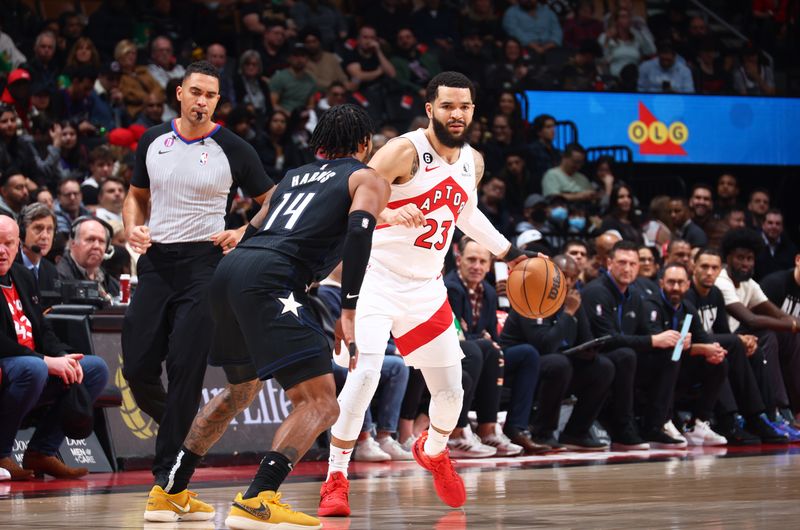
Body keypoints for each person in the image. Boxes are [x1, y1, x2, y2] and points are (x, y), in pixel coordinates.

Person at [142, 103, 389, 528]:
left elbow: (252, 229)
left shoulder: (292, 178)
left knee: (240, 391)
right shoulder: (366, 177)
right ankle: (259, 497)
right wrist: (349, 307)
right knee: (321, 402)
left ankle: (169, 492)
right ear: (364, 145)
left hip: (231, 272)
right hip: (273, 279)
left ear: (320, 144)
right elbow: (358, 234)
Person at [319, 72, 536, 517]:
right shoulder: (403, 150)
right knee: (364, 377)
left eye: (464, 107)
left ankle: (434, 450)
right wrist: (392, 213)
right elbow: (348, 208)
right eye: (447, 106)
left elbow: (466, 214)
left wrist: (509, 253)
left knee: (452, 393)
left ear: (473, 110)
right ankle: (335, 478)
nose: (456, 114)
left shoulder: (472, 161)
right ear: (429, 109)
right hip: (376, 279)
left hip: (426, 288)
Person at [123, 61, 272, 509]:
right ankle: (184, 428)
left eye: (210, 95)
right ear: (180, 94)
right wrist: (133, 226)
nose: (202, 100)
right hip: (155, 262)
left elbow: (273, 199)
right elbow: (136, 194)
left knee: (185, 369)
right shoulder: (153, 140)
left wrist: (244, 230)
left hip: (205, 265)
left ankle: (168, 484)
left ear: (216, 101)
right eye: (195, 92)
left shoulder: (234, 147)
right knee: (136, 369)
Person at [0, 215, 109, 480]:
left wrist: (61, 356)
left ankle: (41, 452)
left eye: (8, 243)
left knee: (94, 368)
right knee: (34, 368)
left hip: (32, 365)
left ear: (18, 246)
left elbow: (42, 328)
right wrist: (46, 361)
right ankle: (1, 453)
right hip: (13, 363)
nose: (2, 251)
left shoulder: (23, 276)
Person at [500, 254, 614, 451]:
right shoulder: (532, 296)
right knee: (558, 363)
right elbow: (543, 345)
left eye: (573, 277)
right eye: (564, 276)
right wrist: (569, 313)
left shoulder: (572, 300)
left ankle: (576, 432)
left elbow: (585, 338)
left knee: (603, 367)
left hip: (558, 362)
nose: (568, 282)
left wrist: (588, 350)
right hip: (521, 364)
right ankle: (542, 432)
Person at [583, 240, 684, 450]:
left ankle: (655, 425)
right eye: (622, 262)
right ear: (609, 263)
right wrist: (653, 340)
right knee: (626, 355)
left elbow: (646, 332)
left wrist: (672, 338)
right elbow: (606, 339)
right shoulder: (596, 291)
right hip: (593, 358)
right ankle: (623, 427)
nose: (627, 268)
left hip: (625, 359)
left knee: (668, 355)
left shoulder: (635, 296)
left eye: (632, 263)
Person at [686, 248, 788, 444]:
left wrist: (744, 341)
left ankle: (760, 417)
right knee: (729, 348)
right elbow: (690, 336)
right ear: (693, 268)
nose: (709, 272)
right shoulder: (688, 296)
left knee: (751, 350)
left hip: (711, 350)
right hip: (688, 354)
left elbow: (723, 332)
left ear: (719, 270)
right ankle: (729, 421)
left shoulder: (715, 293)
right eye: (704, 267)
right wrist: (736, 341)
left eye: (714, 267)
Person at [444, 237, 525, 457]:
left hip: (474, 350)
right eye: (471, 259)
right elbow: (454, 334)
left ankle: (487, 428)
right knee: (480, 349)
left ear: (490, 266)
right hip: (445, 353)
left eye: (482, 261)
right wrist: (479, 338)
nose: (477, 266)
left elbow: (489, 335)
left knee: (497, 350)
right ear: (459, 259)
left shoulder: (489, 292)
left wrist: (480, 338)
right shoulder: (450, 288)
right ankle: (456, 432)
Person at [716, 229, 800, 433]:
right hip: (716, 340)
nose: (745, 263)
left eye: (750, 258)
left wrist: (794, 325)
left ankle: (790, 410)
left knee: (787, 337)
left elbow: (776, 313)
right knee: (769, 334)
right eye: (740, 258)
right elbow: (751, 320)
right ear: (728, 258)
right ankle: (773, 411)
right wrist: (794, 324)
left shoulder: (749, 284)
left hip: (737, 341)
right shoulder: (721, 281)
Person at [56, 216, 120, 302]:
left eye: (101, 241)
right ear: (72, 243)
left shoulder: (104, 277)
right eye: (90, 239)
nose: (97, 246)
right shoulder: (60, 276)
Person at [16, 203, 59, 294]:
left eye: (49, 229)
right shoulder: (8, 265)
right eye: (38, 228)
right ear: (22, 232)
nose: (45, 236)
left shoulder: (51, 271)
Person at [755, 210, 798, 281]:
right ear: (763, 225)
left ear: (782, 227)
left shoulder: (791, 249)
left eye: (778, 224)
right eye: (770, 223)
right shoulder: (754, 245)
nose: (774, 226)